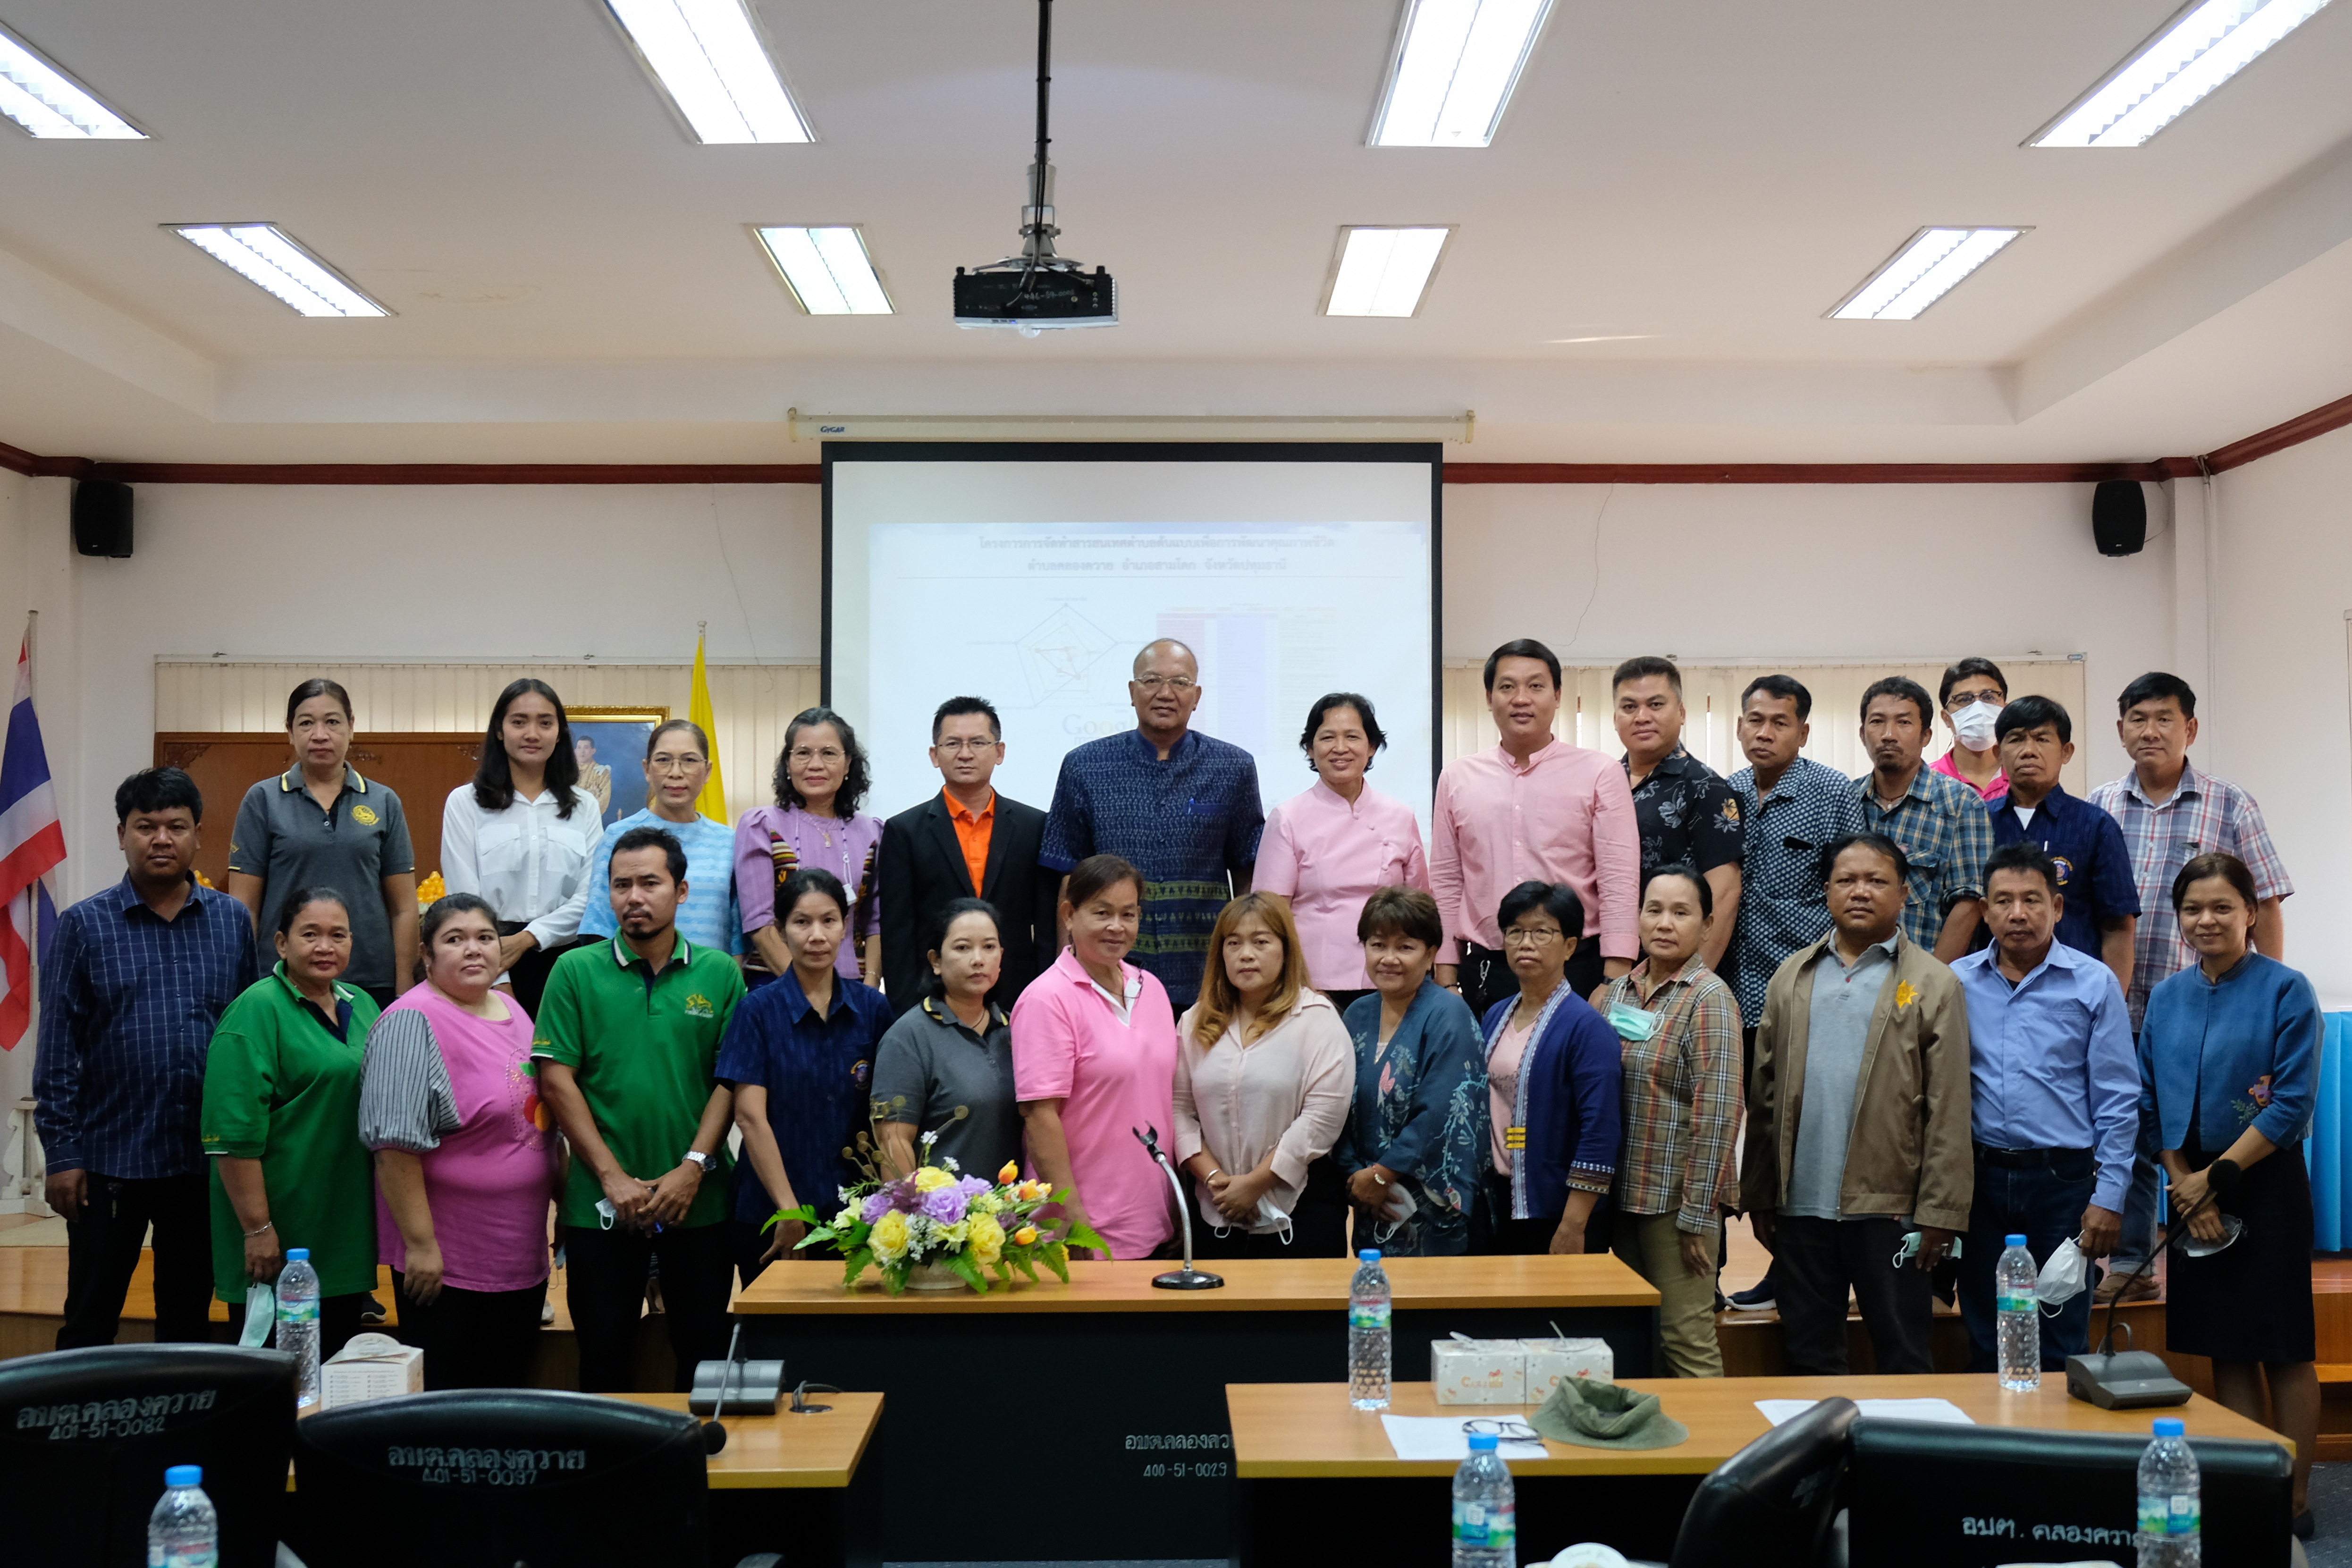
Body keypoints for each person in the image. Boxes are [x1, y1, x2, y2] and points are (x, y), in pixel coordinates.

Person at [2089, 672, 2293, 1305]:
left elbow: (2263, 900)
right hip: (2119, 999)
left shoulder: (2228, 802)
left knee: (2196, 1127)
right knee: (2128, 1126)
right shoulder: (2099, 804)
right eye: (2136, 718)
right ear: (2118, 727)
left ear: (2189, 728)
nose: (2149, 730)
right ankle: (2128, 1256)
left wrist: (2262, 996)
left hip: (2203, 1007)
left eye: (2163, 719)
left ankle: (2172, 1248)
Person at [35, 768, 257, 1350]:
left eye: (176, 826)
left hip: (199, 1160)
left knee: (187, 1322)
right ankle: (75, 1438)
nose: (161, 838)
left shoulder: (232, 922)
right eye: (146, 826)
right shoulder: (84, 925)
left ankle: (173, 1436)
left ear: (198, 836)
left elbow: (251, 1044)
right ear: (121, 834)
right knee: (90, 1317)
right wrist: (62, 1154)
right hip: (109, 1159)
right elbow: (57, 1049)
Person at [1740, 834, 1972, 1376]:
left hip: (1891, 1213)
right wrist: (1759, 1194)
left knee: (1905, 1356)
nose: (1860, 891)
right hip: (1801, 1209)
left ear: (1905, 892)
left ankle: (1890, 1464)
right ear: (1826, 891)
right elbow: (1764, 1095)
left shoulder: (1933, 982)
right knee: (1810, 1357)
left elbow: (1949, 1107)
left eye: (1877, 880)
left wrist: (1941, 1213)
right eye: (1847, 880)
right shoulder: (1791, 976)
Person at [2140, 852, 2320, 1534]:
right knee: (2227, 1345)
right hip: (2187, 1179)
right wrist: (2182, 1182)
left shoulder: (2285, 988)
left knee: (2283, 1345)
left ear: (2250, 912)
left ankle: (2295, 1496)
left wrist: (2207, 1185)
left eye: (2222, 906)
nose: (2206, 919)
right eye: (2192, 908)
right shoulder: (2164, 996)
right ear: (2178, 918)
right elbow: (2151, 1101)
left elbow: (2288, 1104)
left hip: (2263, 1178)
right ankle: (2251, 1486)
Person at [534, 826, 743, 1392]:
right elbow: (556, 1079)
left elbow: (732, 1081)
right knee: (603, 1362)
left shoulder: (721, 974)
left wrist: (693, 1166)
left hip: (697, 1202)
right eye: (621, 884)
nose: (634, 897)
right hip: (599, 1205)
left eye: (650, 882)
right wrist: (611, 1177)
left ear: (681, 891)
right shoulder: (574, 971)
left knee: (703, 1363)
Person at [358, 893, 562, 1390]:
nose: (474, 950)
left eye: (484, 938)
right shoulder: (412, 1020)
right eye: (455, 939)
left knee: (509, 1401)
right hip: (447, 1266)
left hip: (519, 1256)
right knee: (454, 1414)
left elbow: (539, 1123)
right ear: (426, 955)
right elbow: (393, 1147)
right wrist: (422, 1245)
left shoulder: (513, 1010)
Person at [1949, 843, 2136, 1376]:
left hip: (2064, 1182)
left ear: (2057, 907)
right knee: (1987, 1335)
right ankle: (1996, 1457)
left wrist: (2111, 1196)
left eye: (2032, 899)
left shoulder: (2093, 982)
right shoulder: (1955, 984)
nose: (2018, 913)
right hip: (1980, 1182)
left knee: (2060, 1335)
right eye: (2003, 901)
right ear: (1984, 912)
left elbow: (2119, 1100)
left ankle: (2057, 1458)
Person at [1722, 674, 1863, 1312]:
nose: (1764, 731)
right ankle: (1771, 1266)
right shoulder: (1722, 795)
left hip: (1806, 996)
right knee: (1748, 1136)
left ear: (1802, 731)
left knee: (1803, 1133)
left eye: (1778, 722)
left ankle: (1817, 1273)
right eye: (1753, 719)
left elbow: (1854, 891)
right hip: (1731, 994)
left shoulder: (1832, 792)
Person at [200, 889, 381, 1357]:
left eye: (338, 935)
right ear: (281, 944)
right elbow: (232, 1136)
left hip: (343, 1230)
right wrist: (257, 1229)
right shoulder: (256, 1010)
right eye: (311, 934)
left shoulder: (363, 1005)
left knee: (335, 1376)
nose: (326, 946)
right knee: (278, 1386)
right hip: (278, 1237)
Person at [1039, 639, 1265, 1010]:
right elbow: (1068, 872)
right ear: (1132, 691)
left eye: (1179, 683)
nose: (1165, 693)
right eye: (1151, 681)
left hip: (1205, 970)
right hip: (1108, 967)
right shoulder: (1085, 766)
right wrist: (1068, 964)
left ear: (1196, 695)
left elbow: (1246, 872)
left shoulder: (1233, 767)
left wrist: (1247, 956)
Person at [1433, 639, 1639, 1018]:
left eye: (1536, 686)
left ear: (1557, 695)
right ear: (1488, 696)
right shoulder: (1457, 777)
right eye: (1507, 686)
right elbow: (1447, 881)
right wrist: (1446, 978)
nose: (1521, 698)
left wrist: (1613, 979)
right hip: (1486, 969)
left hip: (1576, 966)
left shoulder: (1599, 773)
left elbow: (1619, 880)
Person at [717, 868, 894, 1288]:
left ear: (844, 927)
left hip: (856, 1214)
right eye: (801, 922)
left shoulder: (873, 1010)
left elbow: (889, 1117)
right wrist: (789, 1211)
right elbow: (749, 1118)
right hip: (770, 1212)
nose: (816, 935)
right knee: (776, 1341)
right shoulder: (756, 1010)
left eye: (829, 921)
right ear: (780, 930)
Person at [1597, 864, 1741, 1377]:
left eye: (1681, 912)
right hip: (1624, 1195)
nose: (1665, 923)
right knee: (1637, 1339)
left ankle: (1715, 1458)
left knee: (1685, 1340)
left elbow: (1719, 1114)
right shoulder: (1618, 993)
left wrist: (1698, 1215)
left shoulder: (1709, 999)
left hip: (1676, 1203)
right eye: (1654, 909)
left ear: (1706, 926)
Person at [1010, 854, 1181, 1260]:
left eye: (1129, 914)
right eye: (1102, 913)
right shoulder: (1046, 998)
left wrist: (1175, 1206)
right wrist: (1072, 1217)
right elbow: (1039, 1116)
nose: (1116, 927)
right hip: (1082, 1231)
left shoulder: (1151, 989)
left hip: (1154, 1219)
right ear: (1069, 915)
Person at [1172, 894, 1354, 1257]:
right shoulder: (1194, 1022)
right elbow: (1179, 1109)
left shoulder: (1317, 1018)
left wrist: (1255, 1184)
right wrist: (1216, 1182)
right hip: (1215, 1208)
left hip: (1303, 1210)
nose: (1246, 954)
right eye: (1233, 942)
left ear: (1285, 950)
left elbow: (1321, 1119)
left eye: (1260, 942)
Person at [227, 678, 417, 1010]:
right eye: (306, 723)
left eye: (332, 722)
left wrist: (404, 984)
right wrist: (245, 983)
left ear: (351, 726)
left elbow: (403, 907)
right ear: (290, 731)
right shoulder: (263, 800)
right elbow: (245, 907)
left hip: (371, 981)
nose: (320, 734)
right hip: (283, 982)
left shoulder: (384, 801)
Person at [878, 696, 1057, 1017]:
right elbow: (897, 935)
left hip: (1017, 998)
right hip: (933, 1001)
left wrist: (1045, 1001)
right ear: (934, 755)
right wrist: (907, 1012)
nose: (965, 754)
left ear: (999, 752)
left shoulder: (1035, 826)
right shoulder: (904, 831)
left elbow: (1045, 929)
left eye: (977, 742)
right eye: (952, 744)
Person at [1470, 881, 1623, 1257]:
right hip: (1501, 1198)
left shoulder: (1587, 1027)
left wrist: (1574, 1225)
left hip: (1558, 1208)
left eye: (1541, 932)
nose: (1526, 943)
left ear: (1569, 946)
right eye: (1515, 932)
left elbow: (1600, 1131)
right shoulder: (1495, 1015)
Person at [1254, 692, 1432, 1014]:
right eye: (1327, 738)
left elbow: (1420, 907)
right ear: (1310, 748)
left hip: (1391, 978)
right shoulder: (1288, 818)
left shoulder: (1400, 816)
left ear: (1372, 747)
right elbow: (1270, 914)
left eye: (1352, 737)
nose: (1340, 748)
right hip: (1312, 984)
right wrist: (1286, 983)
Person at [1334, 887, 1487, 1257]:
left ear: (1431, 954)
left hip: (1429, 1205)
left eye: (1405, 947)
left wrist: (1383, 1175)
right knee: (1374, 1305)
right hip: (1369, 1199)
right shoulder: (1355, 1014)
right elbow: (1332, 1100)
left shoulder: (1448, 1013)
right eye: (1377, 945)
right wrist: (1356, 1176)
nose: (1389, 959)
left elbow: (1441, 1110)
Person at [439, 678, 605, 1017]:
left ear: (560, 733)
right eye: (519, 722)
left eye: (545, 723)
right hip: (486, 959)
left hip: (567, 961)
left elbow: (592, 895)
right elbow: (463, 897)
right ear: (499, 730)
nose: (532, 733)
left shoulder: (584, 805)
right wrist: (499, 979)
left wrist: (530, 937)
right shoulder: (465, 803)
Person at [1988, 696, 2138, 981]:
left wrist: (2110, 1005)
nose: (2028, 751)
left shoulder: (2096, 825)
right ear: (1998, 752)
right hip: (1991, 992)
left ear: (2066, 751)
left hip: (2074, 992)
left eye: (2042, 739)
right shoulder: (1978, 822)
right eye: (2016, 740)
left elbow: (2119, 927)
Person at [1611, 657, 1743, 976]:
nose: (1642, 717)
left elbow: (1724, 894)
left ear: (1681, 713)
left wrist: (1687, 985)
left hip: (1672, 969)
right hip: (1608, 965)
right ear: (1615, 717)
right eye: (1629, 707)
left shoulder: (1705, 787)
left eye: (1655, 704)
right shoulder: (1603, 782)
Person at [873, 899, 1021, 1179]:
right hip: (944, 1217)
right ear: (936, 961)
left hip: (1019, 1214)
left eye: (989, 947)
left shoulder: (1017, 1029)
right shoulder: (908, 1038)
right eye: (962, 948)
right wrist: (913, 1217)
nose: (978, 959)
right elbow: (894, 1142)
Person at [737, 708, 884, 988]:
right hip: (777, 984)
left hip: (855, 988)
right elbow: (759, 922)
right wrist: (807, 991)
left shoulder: (874, 832)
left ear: (848, 763)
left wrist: (871, 984)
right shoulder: (762, 825)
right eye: (803, 753)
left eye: (828, 753)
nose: (815, 764)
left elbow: (877, 922)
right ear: (788, 764)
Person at [578, 719, 742, 958]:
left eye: (689, 760)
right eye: (664, 760)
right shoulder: (617, 836)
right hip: (633, 983)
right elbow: (598, 926)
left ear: (707, 771)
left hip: (709, 985)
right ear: (647, 769)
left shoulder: (730, 842)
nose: (676, 773)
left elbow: (738, 937)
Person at [1854, 675, 1990, 961]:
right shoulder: (1845, 800)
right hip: (1850, 977)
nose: (1889, 734)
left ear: (1926, 735)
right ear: (1862, 733)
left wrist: (1928, 984)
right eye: (1877, 722)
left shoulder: (1962, 804)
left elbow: (1969, 905)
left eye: (1904, 722)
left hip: (1926, 978)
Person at [1932, 658, 2010, 803]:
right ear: (1947, 718)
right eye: (1964, 699)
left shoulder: (2025, 778)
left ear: (2005, 711)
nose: (1979, 709)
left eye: (1989, 697)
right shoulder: (1927, 781)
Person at [575, 733, 613, 819]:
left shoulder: (601, 773)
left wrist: (584, 817)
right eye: (579, 748)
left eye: (586, 748)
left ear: (593, 751)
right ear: (575, 751)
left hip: (590, 820)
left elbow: (604, 800)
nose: (582, 751)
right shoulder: (566, 771)